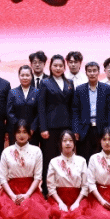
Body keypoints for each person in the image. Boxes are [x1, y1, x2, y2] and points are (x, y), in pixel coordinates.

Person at [0, 120, 50, 219]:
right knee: (3, 214)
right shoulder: (6, 151)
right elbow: (3, 178)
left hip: (30, 190)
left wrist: (27, 195)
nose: (21, 135)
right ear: (14, 134)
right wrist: (12, 196)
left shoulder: (36, 151)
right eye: (18, 132)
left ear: (29, 134)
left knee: (37, 214)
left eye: (24, 132)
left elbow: (38, 177)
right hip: (11, 190)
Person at [38, 54, 75, 192]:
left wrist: (73, 129)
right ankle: (47, 189)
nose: (58, 68)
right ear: (50, 67)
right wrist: (43, 128)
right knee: (49, 158)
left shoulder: (70, 83)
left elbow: (73, 107)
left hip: (66, 127)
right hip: (50, 128)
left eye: (60, 66)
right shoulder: (45, 83)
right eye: (55, 65)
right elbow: (41, 107)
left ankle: (63, 188)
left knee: (65, 158)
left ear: (64, 67)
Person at [72, 61, 110, 161]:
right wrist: (76, 130)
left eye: (94, 71)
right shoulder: (79, 90)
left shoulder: (106, 89)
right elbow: (75, 112)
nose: (92, 73)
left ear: (98, 72)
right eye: (89, 71)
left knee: (102, 158)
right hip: (84, 130)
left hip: (102, 129)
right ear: (86, 73)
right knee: (84, 158)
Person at [47, 130, 89, 215]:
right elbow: (51, 187)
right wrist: (60, 203)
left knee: (78, 216)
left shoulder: (82, 161)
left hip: (78, 199)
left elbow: (85, 186)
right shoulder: (53, 162)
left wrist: (77, 202)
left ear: (74, 143)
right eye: (64, 140)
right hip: (58, 199)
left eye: (70, 140)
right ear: (60, 143)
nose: (68, 143)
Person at [8, 65, 40, 146]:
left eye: (27, 75)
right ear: (19, 76)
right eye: (22, 75)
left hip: (33, 132)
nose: (25, 78)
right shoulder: (13, 92)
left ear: (32, 76)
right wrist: (20, 128)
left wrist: (32, 128)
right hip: (16, 131)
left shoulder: (37, 92)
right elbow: (9, 112)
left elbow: (39, 112)